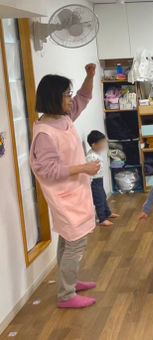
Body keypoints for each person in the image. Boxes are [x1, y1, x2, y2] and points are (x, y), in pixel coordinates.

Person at [30, 63, 99, 309]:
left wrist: (89, 76)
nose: (71, 100)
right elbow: (48, 170)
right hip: (64, 196)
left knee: (68, 240)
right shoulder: (45, 133)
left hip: (75, 192)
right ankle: (66, 295)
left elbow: (85, 96)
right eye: (66, 96)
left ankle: (68, 282)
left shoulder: (64, 117)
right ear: (53, 99)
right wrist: (84, 168)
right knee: (75, 243)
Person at [86, 130, 119, 227]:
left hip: (99, 180)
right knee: (99, 200)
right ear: (93, 145)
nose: (104, 145)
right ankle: (102, 219)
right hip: (94, 182)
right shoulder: (91, 156)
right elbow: (88, 172)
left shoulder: (97, 153)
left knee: (103, 197)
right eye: (101, 143)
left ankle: (108, 213)